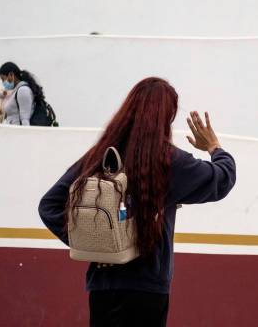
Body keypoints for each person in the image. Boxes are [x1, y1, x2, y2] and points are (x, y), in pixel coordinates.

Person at [38, 77, 236, 326]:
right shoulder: (169, 161)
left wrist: (91, 239)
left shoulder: (99, 156)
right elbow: (223, 178)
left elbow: (49, 205)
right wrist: (214, 147)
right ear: (166, 117)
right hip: (148, 290)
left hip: (102, 286)